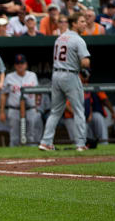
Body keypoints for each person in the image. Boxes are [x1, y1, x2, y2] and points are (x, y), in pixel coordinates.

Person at [39, 13, 90, 152]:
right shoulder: (78, 40)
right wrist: (84, 67)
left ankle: (46, 142)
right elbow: (85, 62)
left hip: (56, 75)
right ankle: (80, 144)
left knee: (55, 111)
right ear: (74, 23)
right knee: (79, 110)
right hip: (70, 76)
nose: (85, 24)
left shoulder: (60, 38)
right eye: (82, 21)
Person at [0, 54, 42, 147]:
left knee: (31, 136)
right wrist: (2, 111)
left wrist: (37, 107)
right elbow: (3, 94)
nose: (20, 66)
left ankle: (32, 159)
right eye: (18, 64)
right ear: (15, 66)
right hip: (14, 110)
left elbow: (38, 93)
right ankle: (14, 158)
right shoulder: (9, 77)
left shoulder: (32, 75)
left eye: (22, 63)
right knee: (14, 138)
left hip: (30, 109)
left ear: (26, 64)